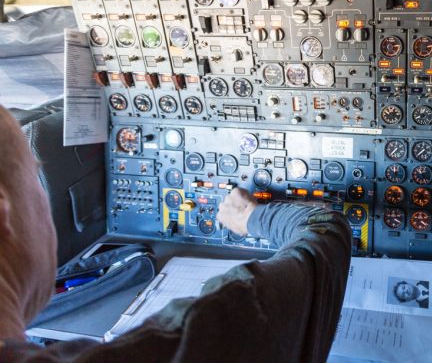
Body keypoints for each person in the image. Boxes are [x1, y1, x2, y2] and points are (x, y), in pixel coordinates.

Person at [0, 105, 352, 362]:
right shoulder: (191, 343)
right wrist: (253, 219)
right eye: (35, 176)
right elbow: (326, 235)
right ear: (4, 213)